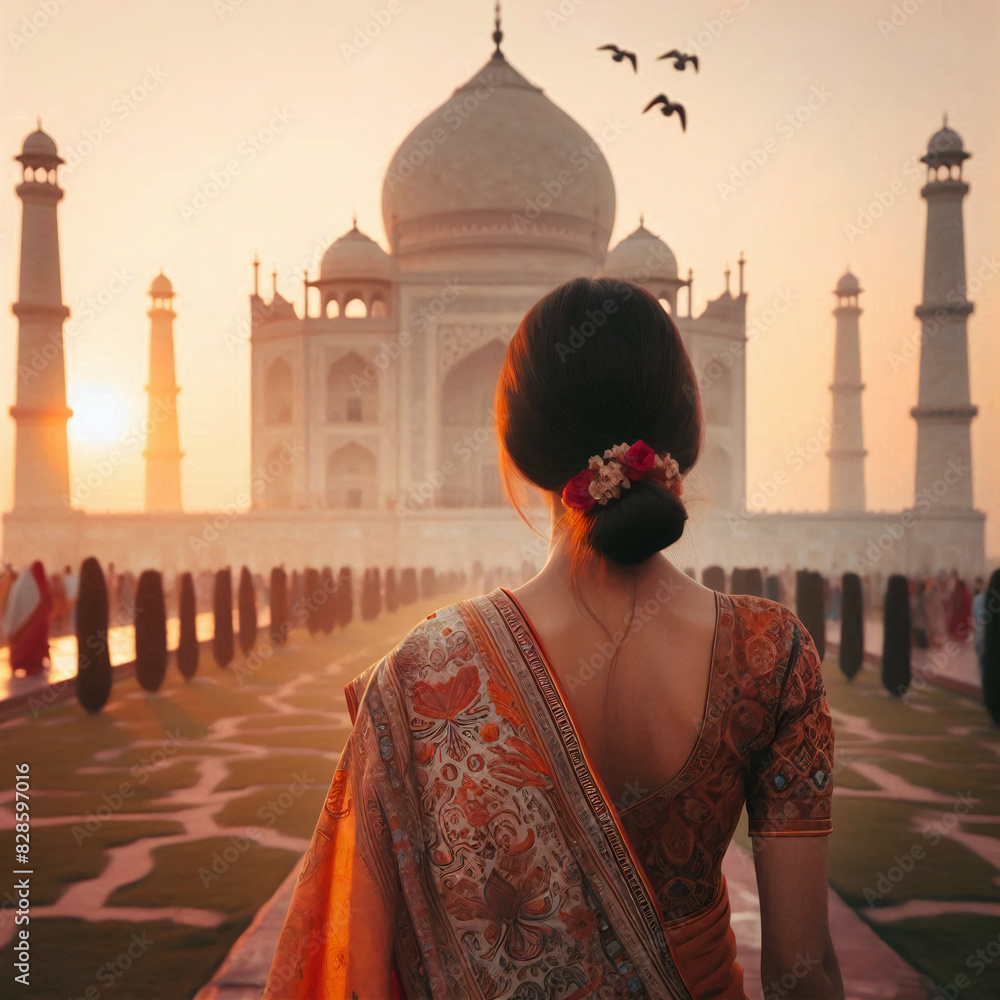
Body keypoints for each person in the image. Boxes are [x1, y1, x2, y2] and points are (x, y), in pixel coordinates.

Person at [262, 278, 842, 1000]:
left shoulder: (421, 674)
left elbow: (356, 963)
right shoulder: (771, 653)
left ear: (516, 448)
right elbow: (802, 970)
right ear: (684, 439)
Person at [5, 560, 53, 676]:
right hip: (35, 623)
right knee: (34, 642)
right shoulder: (29, 585)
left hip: (31, 623)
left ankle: (27, 662)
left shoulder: (22, 585)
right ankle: (32, 662)